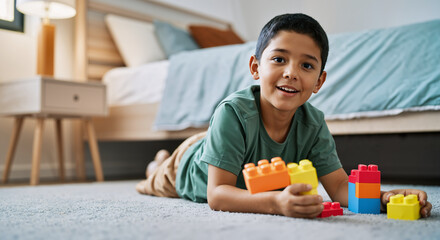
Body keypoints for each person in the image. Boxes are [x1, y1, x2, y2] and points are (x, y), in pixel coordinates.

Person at [136, 13, 432, 218]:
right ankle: (158, 163)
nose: (291, 73)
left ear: (319, 81)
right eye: (279, 59)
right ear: (255, 68)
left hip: (226, 144)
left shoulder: (314, 124)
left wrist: (384, 197)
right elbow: (218, 195)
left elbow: (340, 187)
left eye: (306, 66)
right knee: (153, 181)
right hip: (188, 165)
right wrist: (276, 203)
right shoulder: (231, 113)